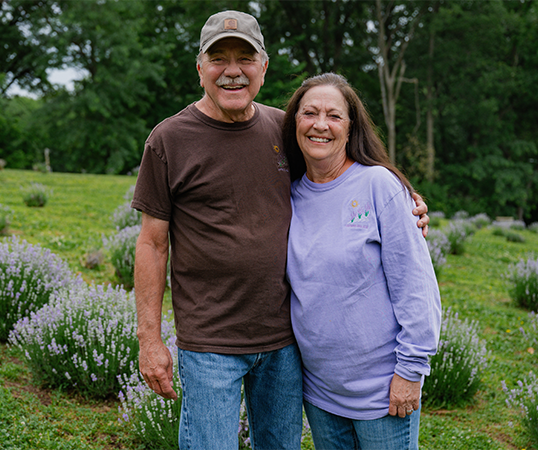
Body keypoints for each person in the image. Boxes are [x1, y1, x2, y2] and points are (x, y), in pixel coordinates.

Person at [132, 11, 429, 449]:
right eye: (218, 59)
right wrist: (150, 339)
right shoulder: (169, 139)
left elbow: (339, 170)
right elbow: (152, 244)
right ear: (200, 69)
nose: (232, 71)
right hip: (210, 340)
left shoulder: (284, 129)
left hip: (284, 341)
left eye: (244, 59)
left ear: (263, 67)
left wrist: (406, 204)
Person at [282, 72, 442, 450]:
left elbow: (416, 287)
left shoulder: (379, 185)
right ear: (294, 123)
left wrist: (411, 372)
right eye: (310, 113)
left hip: (383, 392)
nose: (321, 125)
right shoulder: (288, 196)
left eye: (334, 116)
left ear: (351, 127)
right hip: (321, 393)